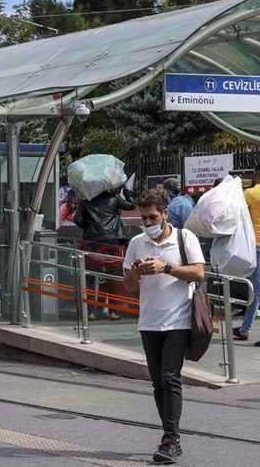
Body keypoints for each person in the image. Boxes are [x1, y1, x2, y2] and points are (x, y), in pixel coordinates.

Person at [123, 189, 204, 464]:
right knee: (158, 382)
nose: (147, 223)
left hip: (179, 320)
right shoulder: (136, 243)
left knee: (170, 377)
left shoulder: (184, 237)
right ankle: (173, 437)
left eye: (152, 217)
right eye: (143, 218)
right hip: (149, 322)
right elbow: (129, 286)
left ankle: (170, 440)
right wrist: (136, 271)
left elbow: (198, 272)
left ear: (165, 214)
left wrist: (165, 267)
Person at [74, 185, 136, 321]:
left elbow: (77, 219)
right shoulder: (113, 198)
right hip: (112, 241)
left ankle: (91, 312)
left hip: (92, 242)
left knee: (90, 276)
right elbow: (132, 205)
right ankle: (113, 312)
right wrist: (127, 191)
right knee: (113, 276)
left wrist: (90, 227)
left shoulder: (86, 201)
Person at [234, 167, 260, 345]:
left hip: (256, 246)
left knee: (258, 289)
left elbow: (234, 212)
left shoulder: (251, 193)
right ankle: (245, 329)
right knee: (257, 292)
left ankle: (245, 328)